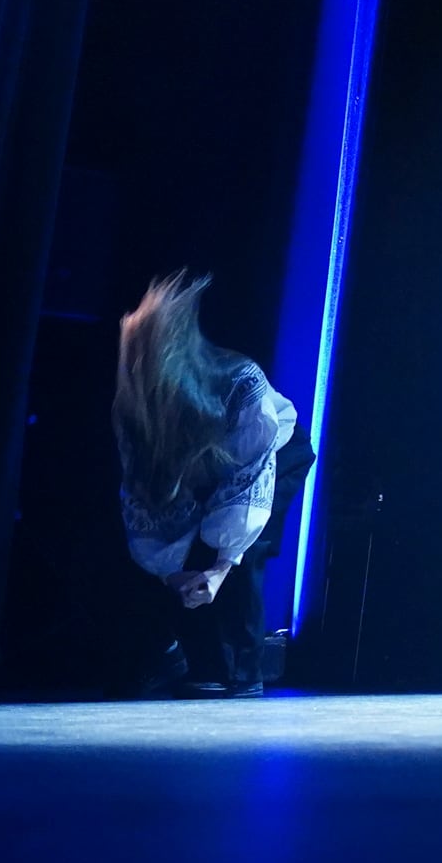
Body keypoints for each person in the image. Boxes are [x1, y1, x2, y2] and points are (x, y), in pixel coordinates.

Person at [114, 272, 311, 699]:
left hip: (275, 447)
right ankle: (171, 653)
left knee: (245, 549)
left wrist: (222, 566)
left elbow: (250, 475)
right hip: (205, 460)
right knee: (185, 555)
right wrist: (170, 571)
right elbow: (141, 491)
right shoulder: (134, 406)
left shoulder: (241, 381)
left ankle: (242, 670)